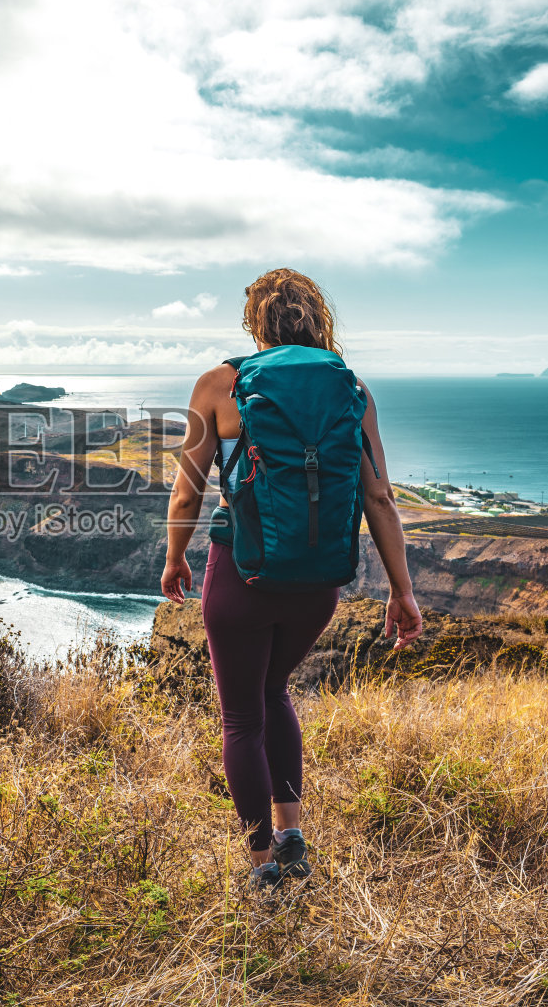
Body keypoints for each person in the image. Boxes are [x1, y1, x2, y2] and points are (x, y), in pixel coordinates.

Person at [160, 267, 423, 890]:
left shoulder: (221, 384)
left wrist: (175, 557)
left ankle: (262, 866)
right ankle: (292, 835)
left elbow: (188, 488)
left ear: (255, 322)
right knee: (274, 690)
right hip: (319, 585)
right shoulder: (352, 387)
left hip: (241, 576)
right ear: (317, 319)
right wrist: (402, 590)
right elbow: (379, 499)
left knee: (241, 719)